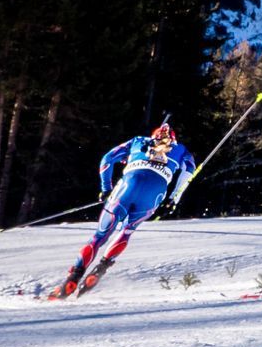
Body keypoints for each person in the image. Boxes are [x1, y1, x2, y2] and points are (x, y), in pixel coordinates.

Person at [48, 122, 197, 299]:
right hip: (155, 193)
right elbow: (189, 170)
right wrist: (174, 198)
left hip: (129, 183)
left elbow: (107, 159)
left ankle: (73, 278)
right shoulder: (180, 149)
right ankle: (101, 269)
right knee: (126, 232)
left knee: (100, 236)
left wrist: (106, 188)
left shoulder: (139, 141)